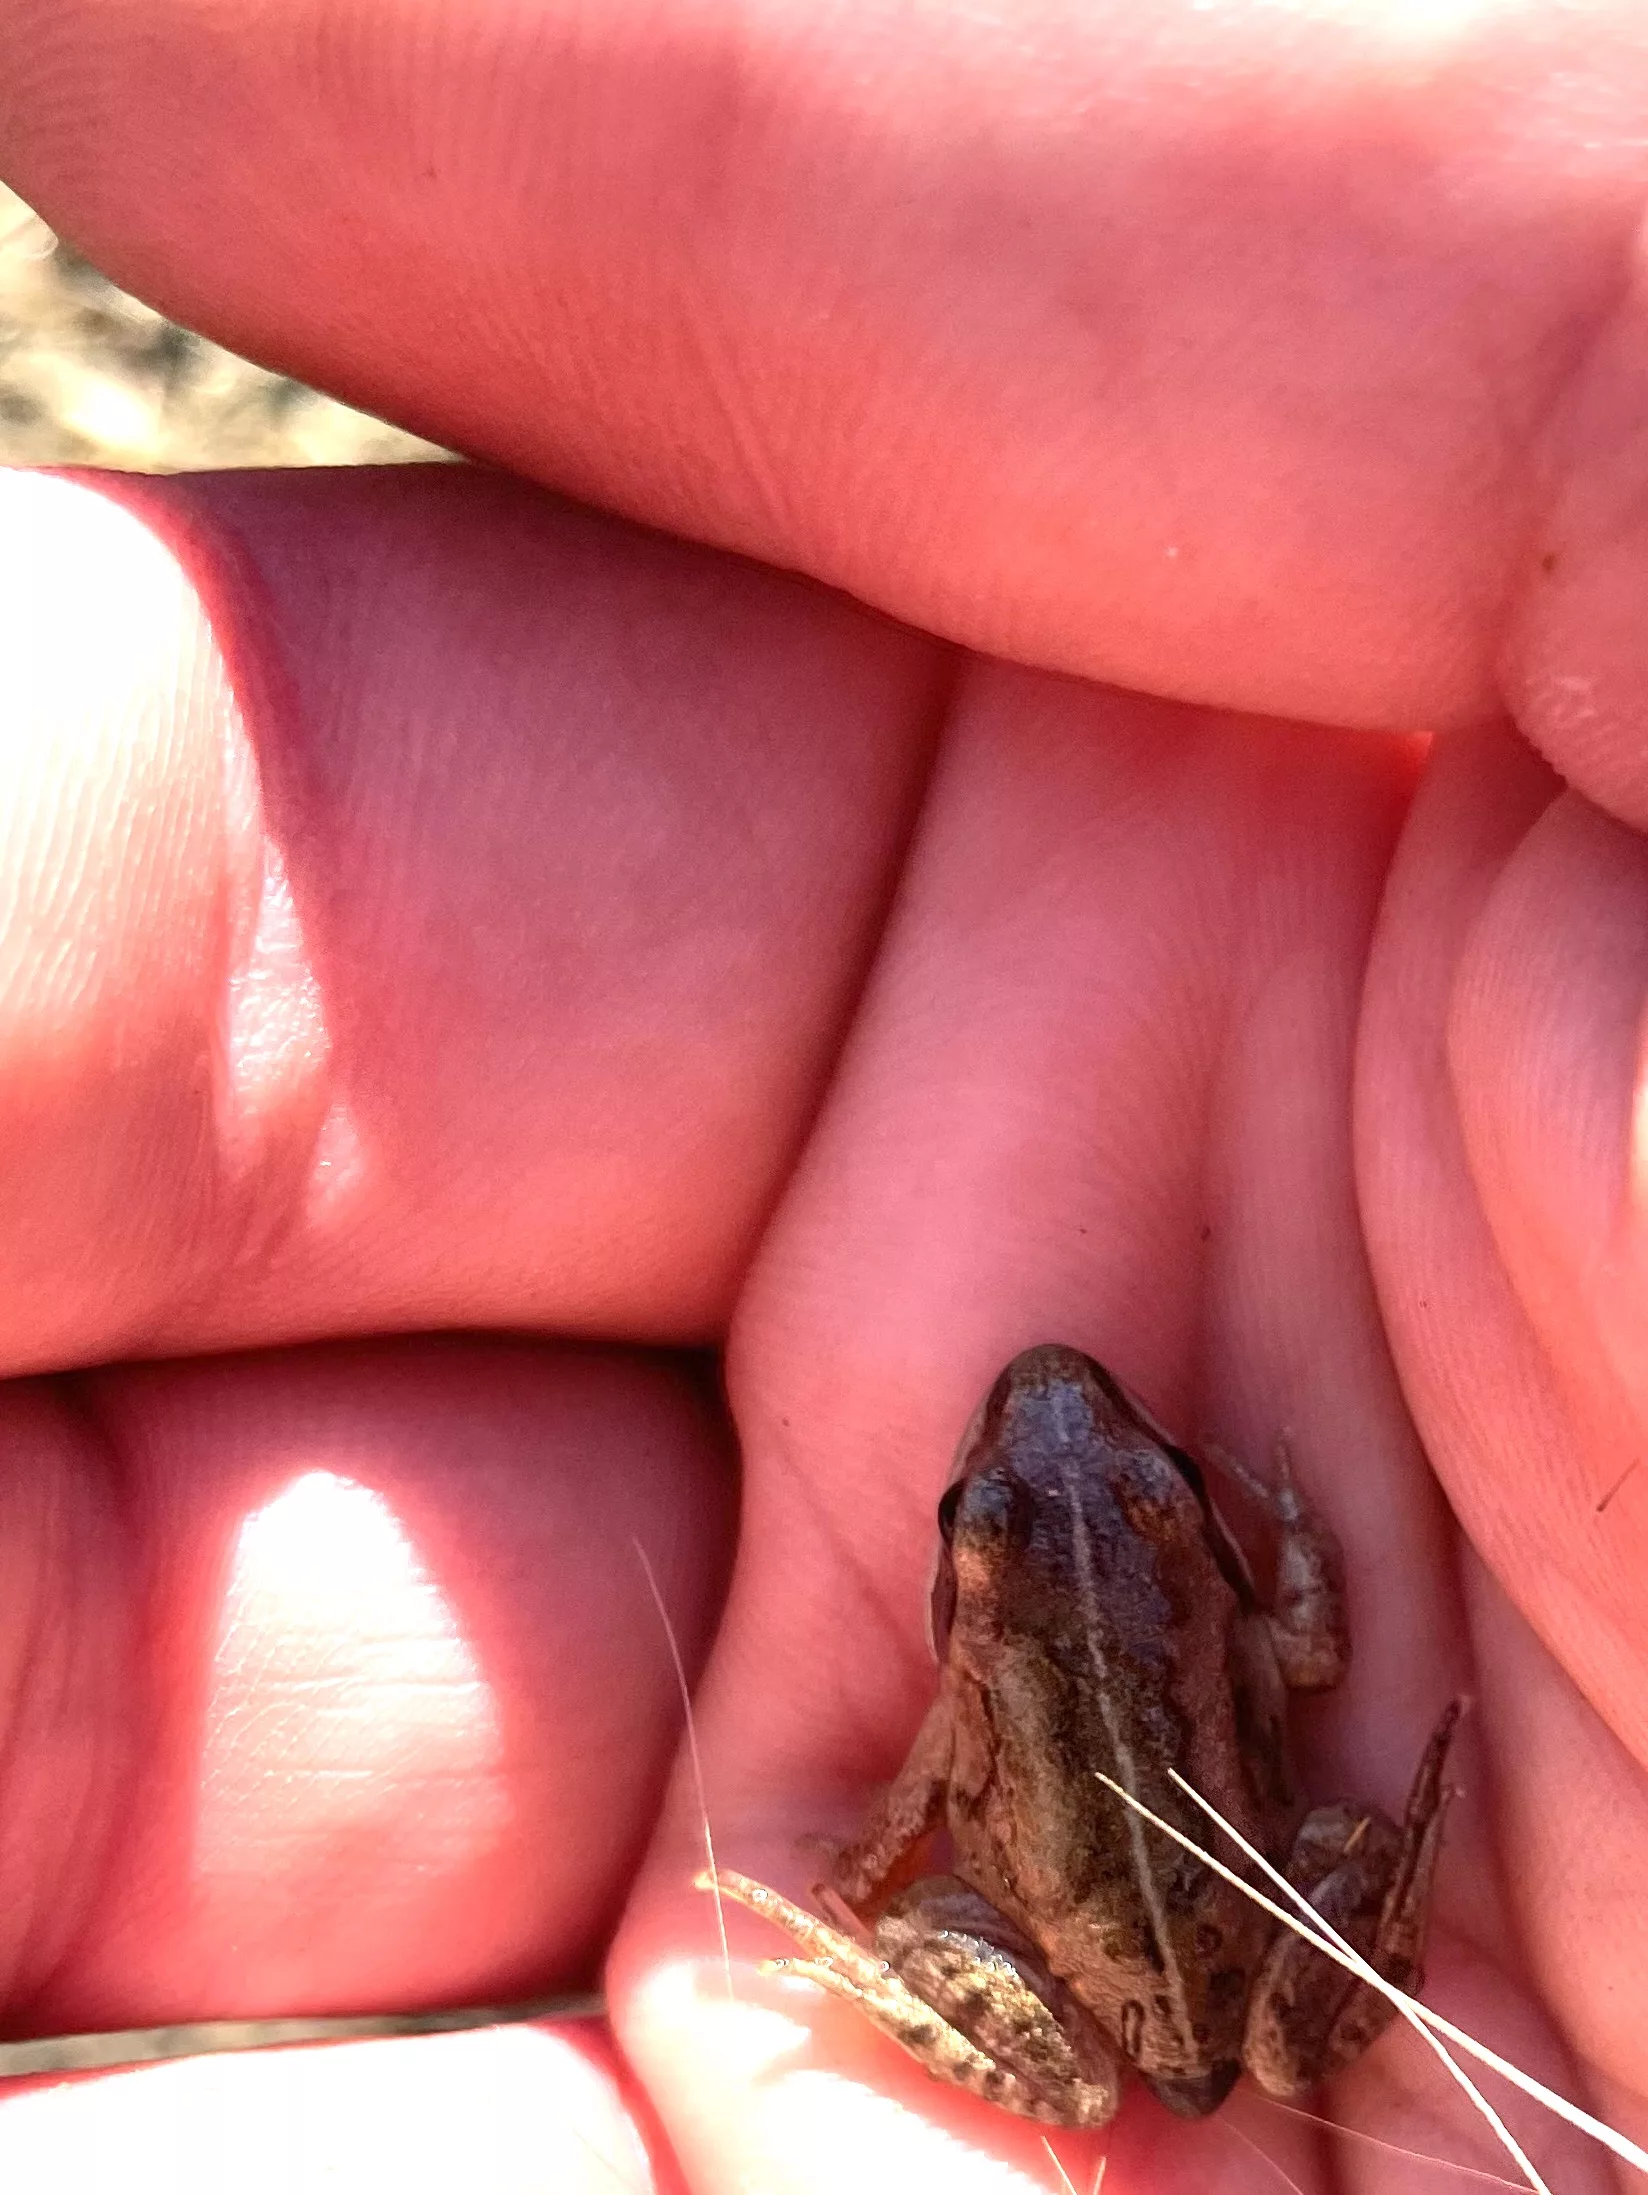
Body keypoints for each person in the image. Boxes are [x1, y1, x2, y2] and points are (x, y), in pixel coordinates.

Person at [0, 1, 1642, 2186]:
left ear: (965, 1590)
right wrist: (1273, 1534)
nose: (1057, 1449)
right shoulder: (1247, 1610)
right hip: (1220, 1942)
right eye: (1087, 1495)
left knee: (1131, 2001)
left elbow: (884, 1850)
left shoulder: (983, 1708)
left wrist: (837, 1911)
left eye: (1059, 1505)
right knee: (1323, 1856)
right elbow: (1324, 1634)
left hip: (1087, 1985)